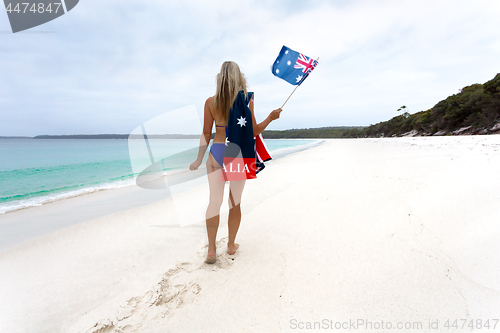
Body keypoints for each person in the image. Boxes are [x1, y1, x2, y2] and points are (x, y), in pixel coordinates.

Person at [189, 61, 282, 264]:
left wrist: (198, 159)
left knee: (214, 202)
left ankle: (212, 250)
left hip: (217, 152)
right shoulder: (245, 102)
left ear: (220, 79)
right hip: (237, 154)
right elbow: (254, 131)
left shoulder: (210, 102)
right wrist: (271, 118)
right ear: (239, 78)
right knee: (234, 203)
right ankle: (231, 245)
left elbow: (206, 133)